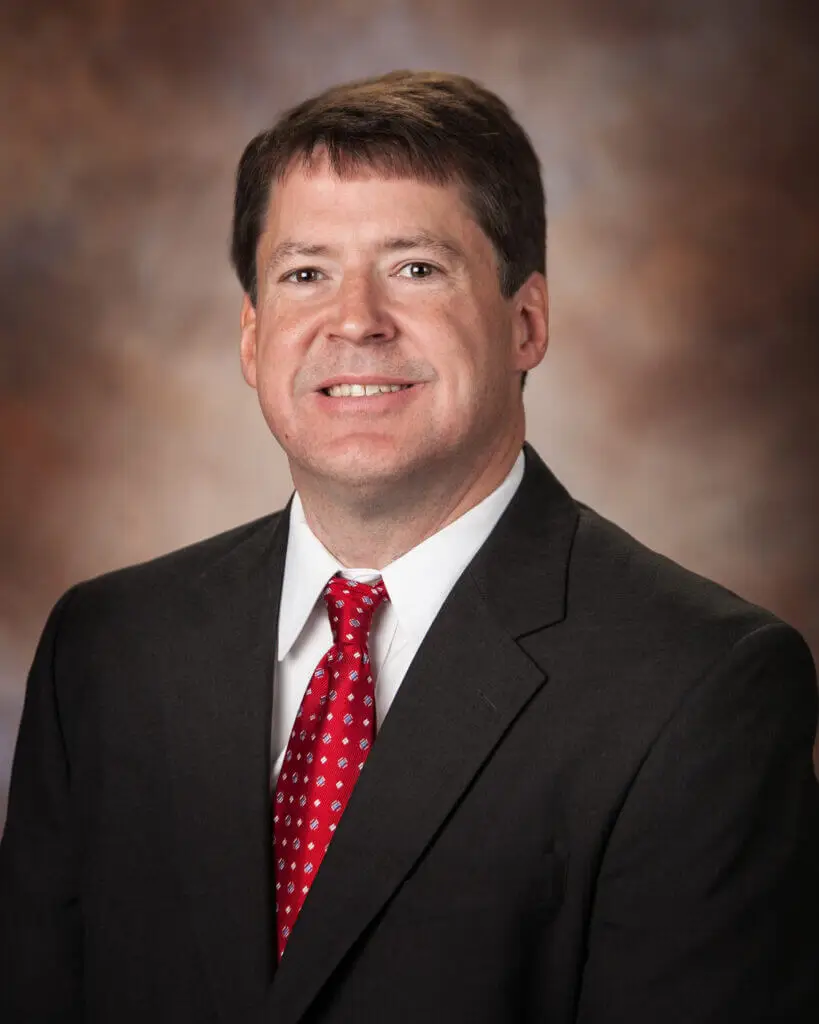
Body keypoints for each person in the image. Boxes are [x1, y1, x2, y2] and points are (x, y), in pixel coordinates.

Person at [1, 69, 818, 1024]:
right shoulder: (106, 649)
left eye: (415, 267)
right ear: (252, 338)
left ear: (526, 322)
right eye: (306, 272)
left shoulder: (702, 689)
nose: (354, 319)